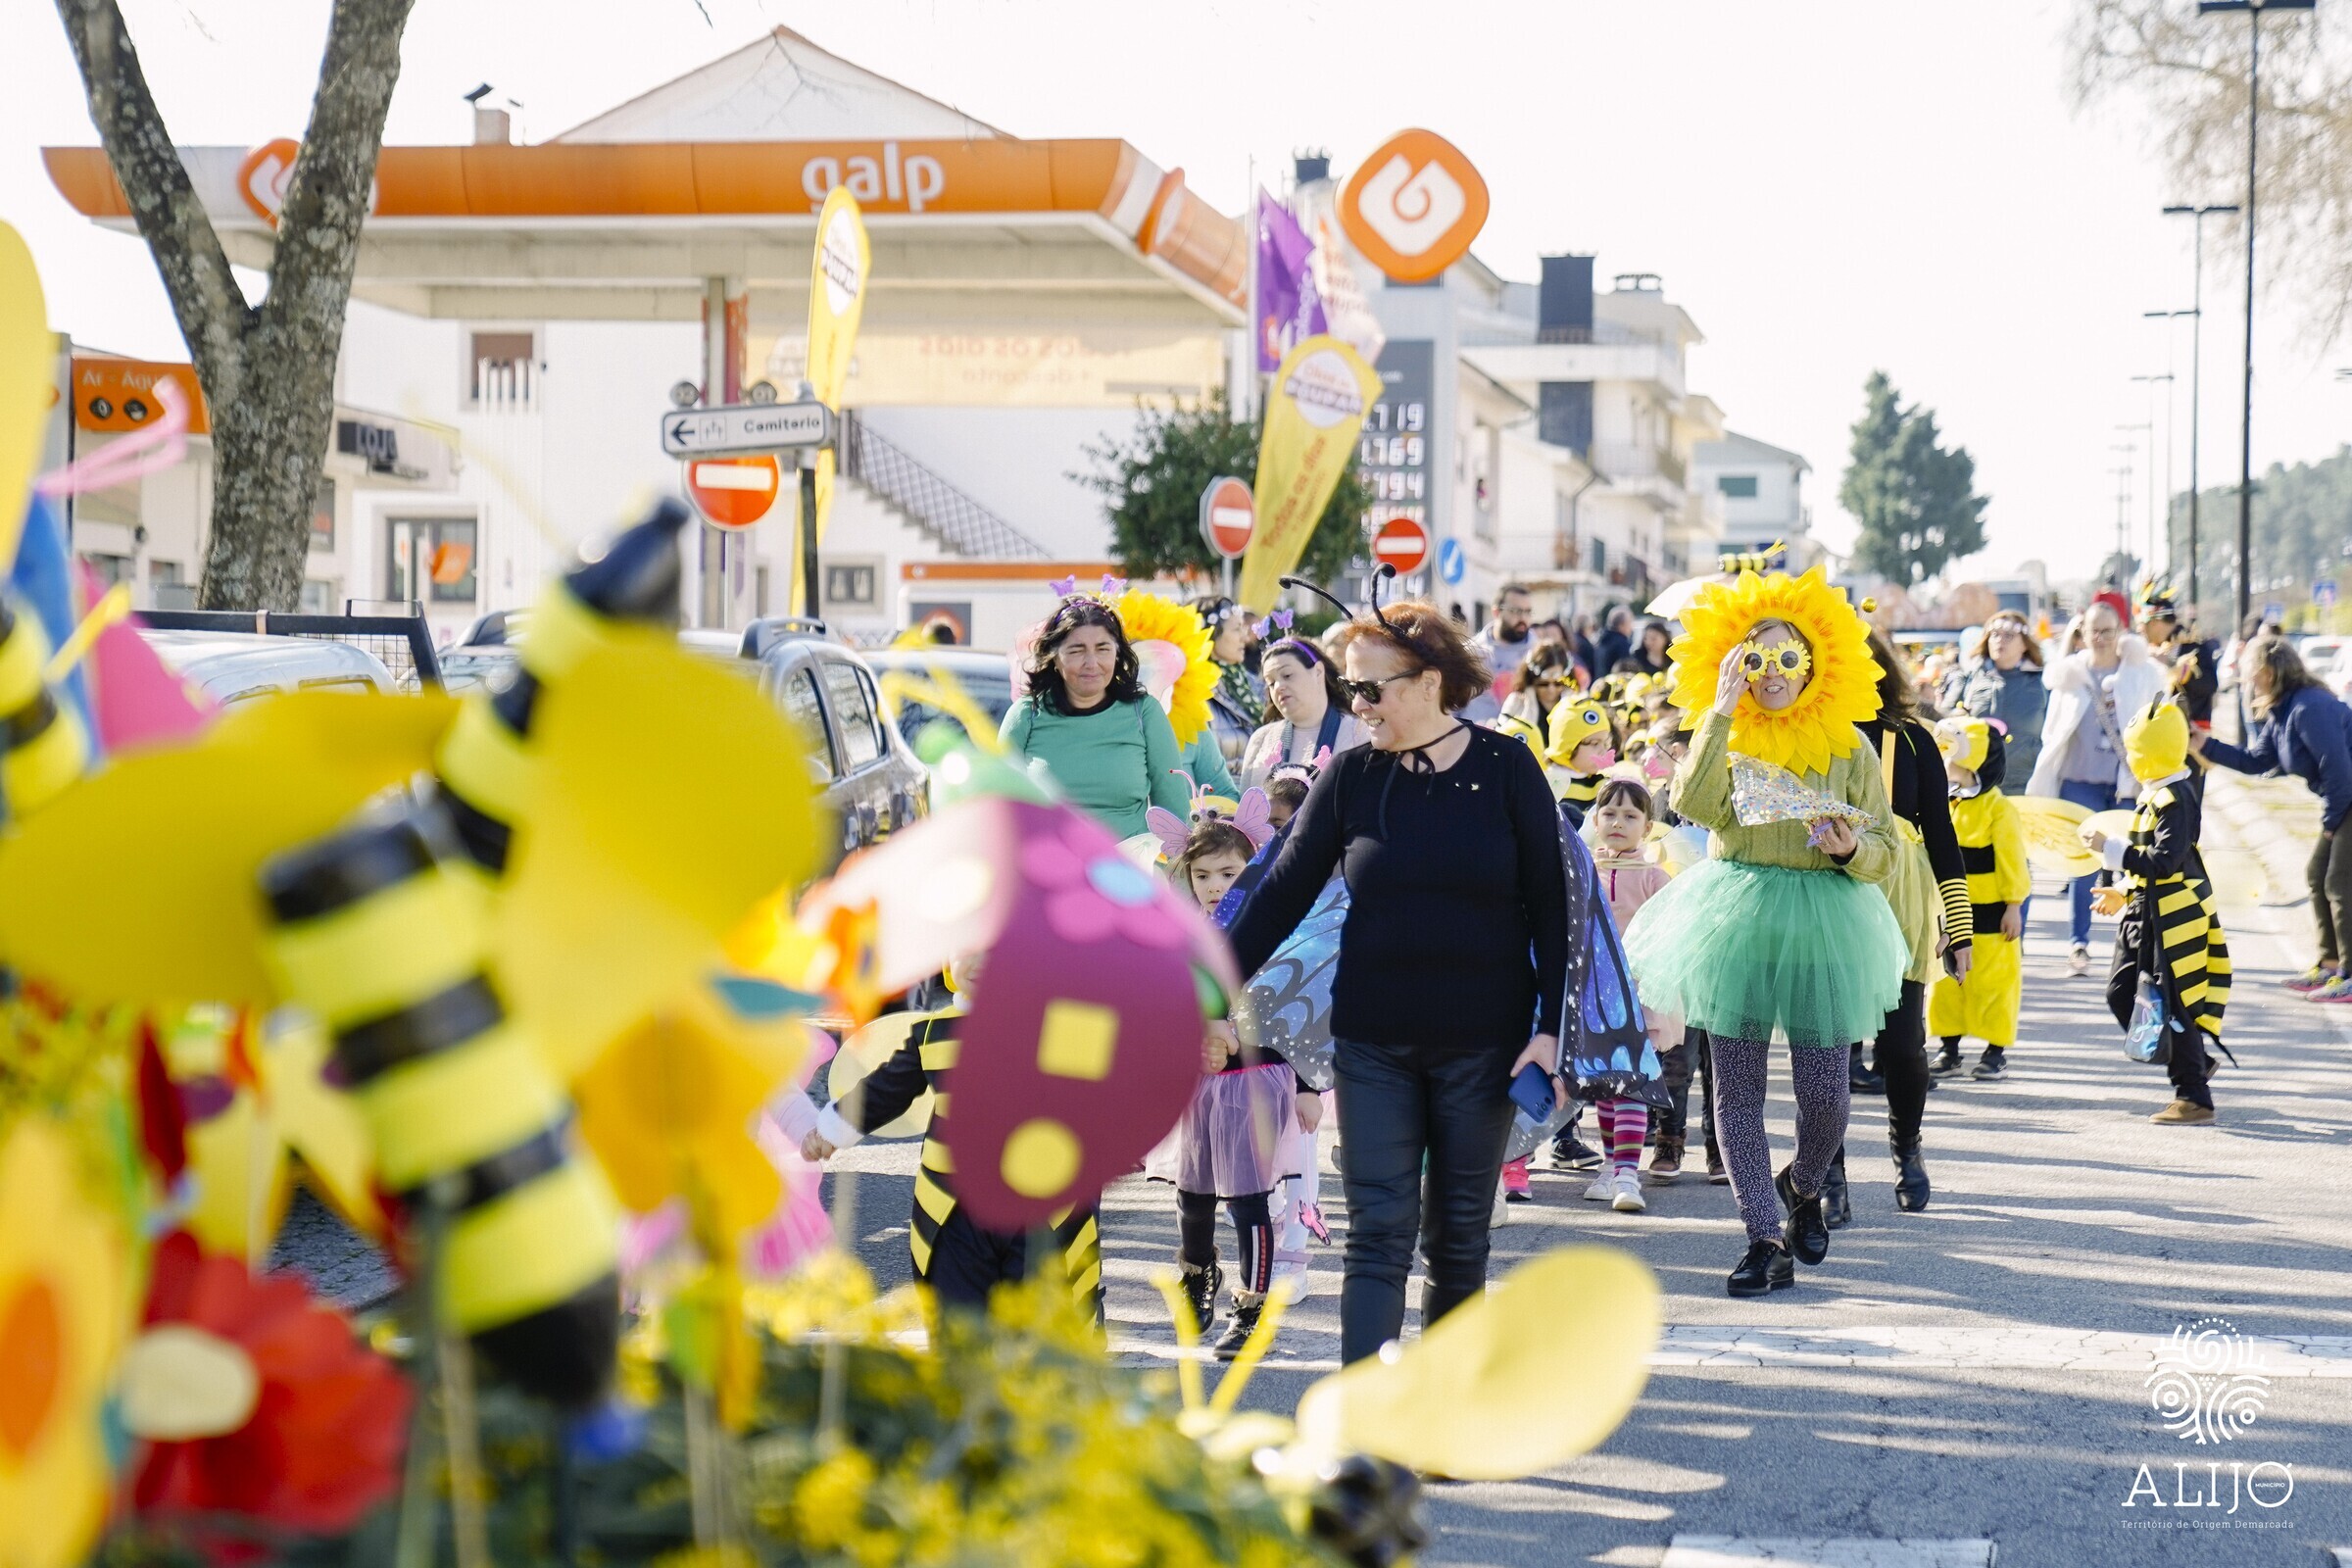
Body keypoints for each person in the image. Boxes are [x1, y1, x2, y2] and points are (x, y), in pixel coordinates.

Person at [1225, 595, 1570, 1364]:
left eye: (1371, 688)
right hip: (1373, 1042)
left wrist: (1550, 1030)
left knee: (1456, 1238)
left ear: (1429, 681)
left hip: (1485, 1046)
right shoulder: (1349, 777)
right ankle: (1366, 1422)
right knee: (1377, 1234)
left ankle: (1442, 1410)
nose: (1358, 704)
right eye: (1351, 688)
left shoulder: (1507, 767)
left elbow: (1553, 905)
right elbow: (1279, 891)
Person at [1621, 569, 1906, 1298]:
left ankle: (1803, 1185)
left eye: (1786, 659)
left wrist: (1848, 849)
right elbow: (1690, 805)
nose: (1771, 674)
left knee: (1828, 1097)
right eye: (1756, 660)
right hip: (1736, 916)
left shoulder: (1848, 748)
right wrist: (1717, 711)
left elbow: (1884, 852)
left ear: (1815, 664)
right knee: (1737, 1091)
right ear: (1733, 666)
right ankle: (1762, 1235)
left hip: (1824, 922)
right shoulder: (1728, 731)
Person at [797, 960, 1101, 1317]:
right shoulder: (933, 1033)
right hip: (953, 1210)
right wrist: (830, 1130)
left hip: (1039, 1205)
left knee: (1042, 1318)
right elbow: (886, 1088)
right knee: (957, 1315)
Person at [1835, 627, 1972, 1220]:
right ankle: (1825, 1173)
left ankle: (1907, 1149)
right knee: (1829, 1045)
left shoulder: (1913, 740)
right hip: (1829, 892)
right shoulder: (1813, 737)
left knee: (1903, 1044)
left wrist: (1961, 929)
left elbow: (1942, 833)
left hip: (1902, 899)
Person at [1166, 820, 1315, 1356]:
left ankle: (1251, 1310)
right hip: (1199, 1083)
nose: (1214, 884)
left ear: (1252, 871)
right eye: (1202, 874)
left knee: (1248, 1200)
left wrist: (1304, 1085)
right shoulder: (1183, 932)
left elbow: (1293, 1012)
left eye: (1228, 872)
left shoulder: (1273, 930)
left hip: (1255, 1079)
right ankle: (1198, 1273)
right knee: (1193, 1193)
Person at [2190, 635, 2352, 1001]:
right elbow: (2257, 760)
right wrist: (2205, 744)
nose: (2246, 681)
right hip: (2344, 798)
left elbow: (2339, 771)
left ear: (2266, 672)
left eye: (2250, 673)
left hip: (2347, 795)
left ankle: (2349, 973)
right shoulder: (2285, 709)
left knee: (2340, 883)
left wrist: (2330, 825)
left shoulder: (2310, 708)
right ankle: (2329, 964)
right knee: (2317, 875)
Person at [2091, 700, 2229, 1124]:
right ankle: (2192, 1063)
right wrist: (2121, 890)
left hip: (2171, 920)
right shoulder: (2155, 793)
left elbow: (2164, 861)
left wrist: (2112, 851)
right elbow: (2148, 867)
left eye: (2135, 752)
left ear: (2151, 754)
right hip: (2143, 911)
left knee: (2173, 1003)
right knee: (2122, 994)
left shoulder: (2176, 797)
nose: (2130, 761)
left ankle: (2194, 1095)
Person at [2026, 601, 2165, 976]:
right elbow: (2052, 733)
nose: (2101, 638)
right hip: (2079, 782)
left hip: (2126, 785)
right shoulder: (2069, 678)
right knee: (2082, 864)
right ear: (2081, 634)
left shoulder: (2142, 674)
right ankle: (2079, 945)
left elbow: (2159, 722)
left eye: (2108, 630)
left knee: (2134, 865)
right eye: (2094, 631)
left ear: (2121, 631)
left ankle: (2138, 943)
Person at [1001, 596, 1193, 839]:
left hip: (1127, 868)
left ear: (1117, 654)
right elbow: (995, 805)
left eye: (1103, 649)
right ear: (1055, 659)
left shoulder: (1145, 713)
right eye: (1076, 650)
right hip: (1048, 867)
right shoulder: (1025, 715)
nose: (1091, 663)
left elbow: (1174, 814)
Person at [1583, 778, 1676, 1210]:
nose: (1618, 822)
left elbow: (1666, 937)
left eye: (1631, 815)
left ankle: (1627, 1173)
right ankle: (1608, 1166)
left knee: (1632, 1084)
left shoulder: (1657, 878)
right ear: (1596, 819)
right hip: (1593, 995)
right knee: (1605, 1084)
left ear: (1648, 825)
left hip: (1639, 996)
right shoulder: (1582, 869)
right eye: (1609, 813)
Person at [1930, 717, 2029, 1083]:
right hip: (1951, 910)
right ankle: (1949, 1048)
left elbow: (2012, 860)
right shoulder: (1946, 801)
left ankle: (1994, 1051)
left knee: (1993, 982)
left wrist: (2014, 904)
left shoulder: (1997, 808)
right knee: (1947, 982)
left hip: (1992, 912)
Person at [1237, 635, 1366, 791]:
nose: (1278, 687)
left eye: (1287, 675)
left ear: (1318, 672)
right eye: (1271, 683)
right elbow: (1245, 808)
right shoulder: (1261, 739)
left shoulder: (1358, 732)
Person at [1955, 612, 2048, 792]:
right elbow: (1945, 720)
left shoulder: (2044, 682)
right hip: (1976, 783)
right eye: (1995, 635)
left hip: (2026, 783)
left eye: (2008, 635)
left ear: (2024, 644)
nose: (1999, 640)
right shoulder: (1969, 678)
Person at [1193, 596, 1263, 766]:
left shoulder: (1254, 684)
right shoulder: (1193, 690)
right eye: (1237, 629)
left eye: (1244, 629)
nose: (1245, 639)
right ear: (1211, 634)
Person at [2140, 590, 2220, 730]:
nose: (2142, 631)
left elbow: (2210, 684)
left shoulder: (2194, 645)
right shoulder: (2154, 650)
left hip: (2191, 733)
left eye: (2144, 625)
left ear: (2156, 623)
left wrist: (2176, 667)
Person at [1545, 697, 1619, 828]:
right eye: (1594, 743)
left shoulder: (1604, 784)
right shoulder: (1545, 783)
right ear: (1567, 745)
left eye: (1605, 742)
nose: (1603, 750)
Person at [1494, 645, 1574, 758]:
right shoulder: (1516, 701)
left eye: (1558, 684)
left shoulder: (1574, 702)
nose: (1551, 689)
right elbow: (1501, 739)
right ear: (1532, 680)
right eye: (1544, 684)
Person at [1593, 606, 1634, 678]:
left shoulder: (1601, 640)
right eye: (1630, 623)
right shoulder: (1622, 644)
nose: (1631, 627)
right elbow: (1625, 671)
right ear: (1621, 625)